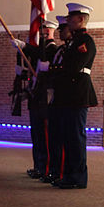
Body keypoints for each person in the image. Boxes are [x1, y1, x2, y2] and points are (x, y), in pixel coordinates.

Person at [52, 3, 97, 190]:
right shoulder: (73, 42)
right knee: (69, 137)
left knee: (76, 137)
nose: (68, 20)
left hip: (77, 94)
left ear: (80, 20)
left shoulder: (85, 41)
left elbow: (73, 68)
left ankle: (77, 177)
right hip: (69, 95)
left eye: (71, 18)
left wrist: (54, 72)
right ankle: (70, 175)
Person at [13, 19, 59, 180]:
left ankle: (45, 168)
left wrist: (25, 46)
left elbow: (50, 73)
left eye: (45, 30)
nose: (42, 33)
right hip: (36, 98)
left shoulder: (52, 50)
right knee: (37, 135)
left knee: (44, 136)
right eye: (41, 30)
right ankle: (38, 166)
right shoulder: (41, 51)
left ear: (51, 31)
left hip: (45, 99)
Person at [43, 15, 70, 184]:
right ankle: (53, 170)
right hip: (55, 97)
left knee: (63, 139)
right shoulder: (61, 50)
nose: (61, 32)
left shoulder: (68, 50)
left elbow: (64, 71)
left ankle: (61, 172)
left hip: (64, 97)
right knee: (53, 138)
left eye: (63, 29)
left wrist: (50, 69)